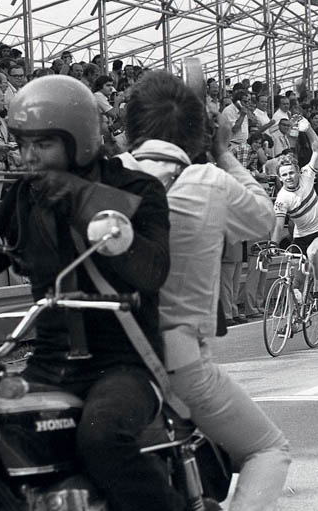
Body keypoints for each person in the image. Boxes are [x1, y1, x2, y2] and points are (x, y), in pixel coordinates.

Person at [0, 75, 186, 511]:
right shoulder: (24, 198)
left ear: (80, 141)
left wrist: (81, 198)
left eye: (43, 144)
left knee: (101, 436)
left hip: (123, 364)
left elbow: (151, 270)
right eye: (23, 144)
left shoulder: (136, 190)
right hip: (49, 364)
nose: (29, 156)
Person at [116, 70, 290, 510]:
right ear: (198, 133)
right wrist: (224, 154)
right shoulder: (212, 181)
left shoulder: (109, 175)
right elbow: (263, 219)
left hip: (111, 356)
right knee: (268, 449)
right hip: (181, 361)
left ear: (131, 126)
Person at [270, 125, 318, 309]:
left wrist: (308, 130)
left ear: (298, 171)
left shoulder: (307, 175)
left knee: (313, 253)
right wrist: (273, 244)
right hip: (301, 235)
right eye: (284, 175)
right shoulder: (282, 198)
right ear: (280, 178)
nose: (289, 177)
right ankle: (293, 320)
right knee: (294, 283)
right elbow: (278, 223)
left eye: (291, 172)